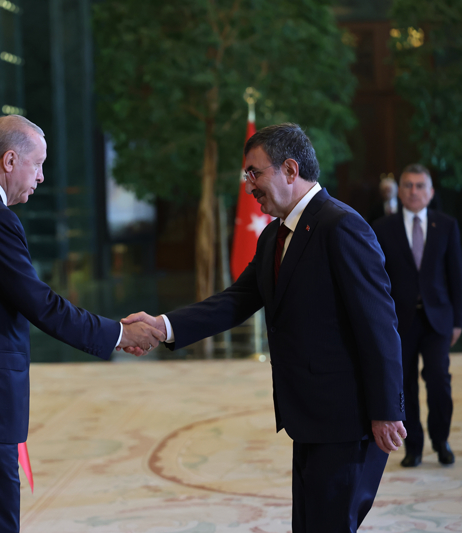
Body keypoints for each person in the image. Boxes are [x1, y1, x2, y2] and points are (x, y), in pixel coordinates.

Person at [124, 123, 406, 533]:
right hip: (308, 417)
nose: (249, 186)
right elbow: (235, 301)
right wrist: (162, 326)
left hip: (348, 420)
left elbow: (379, 325)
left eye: (254, 173)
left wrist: (387, 411)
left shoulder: (341, 226)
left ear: (290, 170)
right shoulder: (274, 235)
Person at [0, 115, 164, 533]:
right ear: (9, 160)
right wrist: (119, 333)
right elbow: (43, 305)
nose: (40, 177)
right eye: (37, 164)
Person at [372, 164, 461, 467]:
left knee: (439, 381)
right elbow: (377, 278)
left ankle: (441, 440)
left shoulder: (446, 225)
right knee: (403, 385)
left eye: (420, 185)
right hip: (398, 322)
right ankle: (414, 447)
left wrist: (458, 321)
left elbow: (456, 276)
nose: (414, 191)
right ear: (399, 191)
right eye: (408, 185)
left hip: (438, 320)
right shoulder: (382, 228)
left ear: (431, 192)